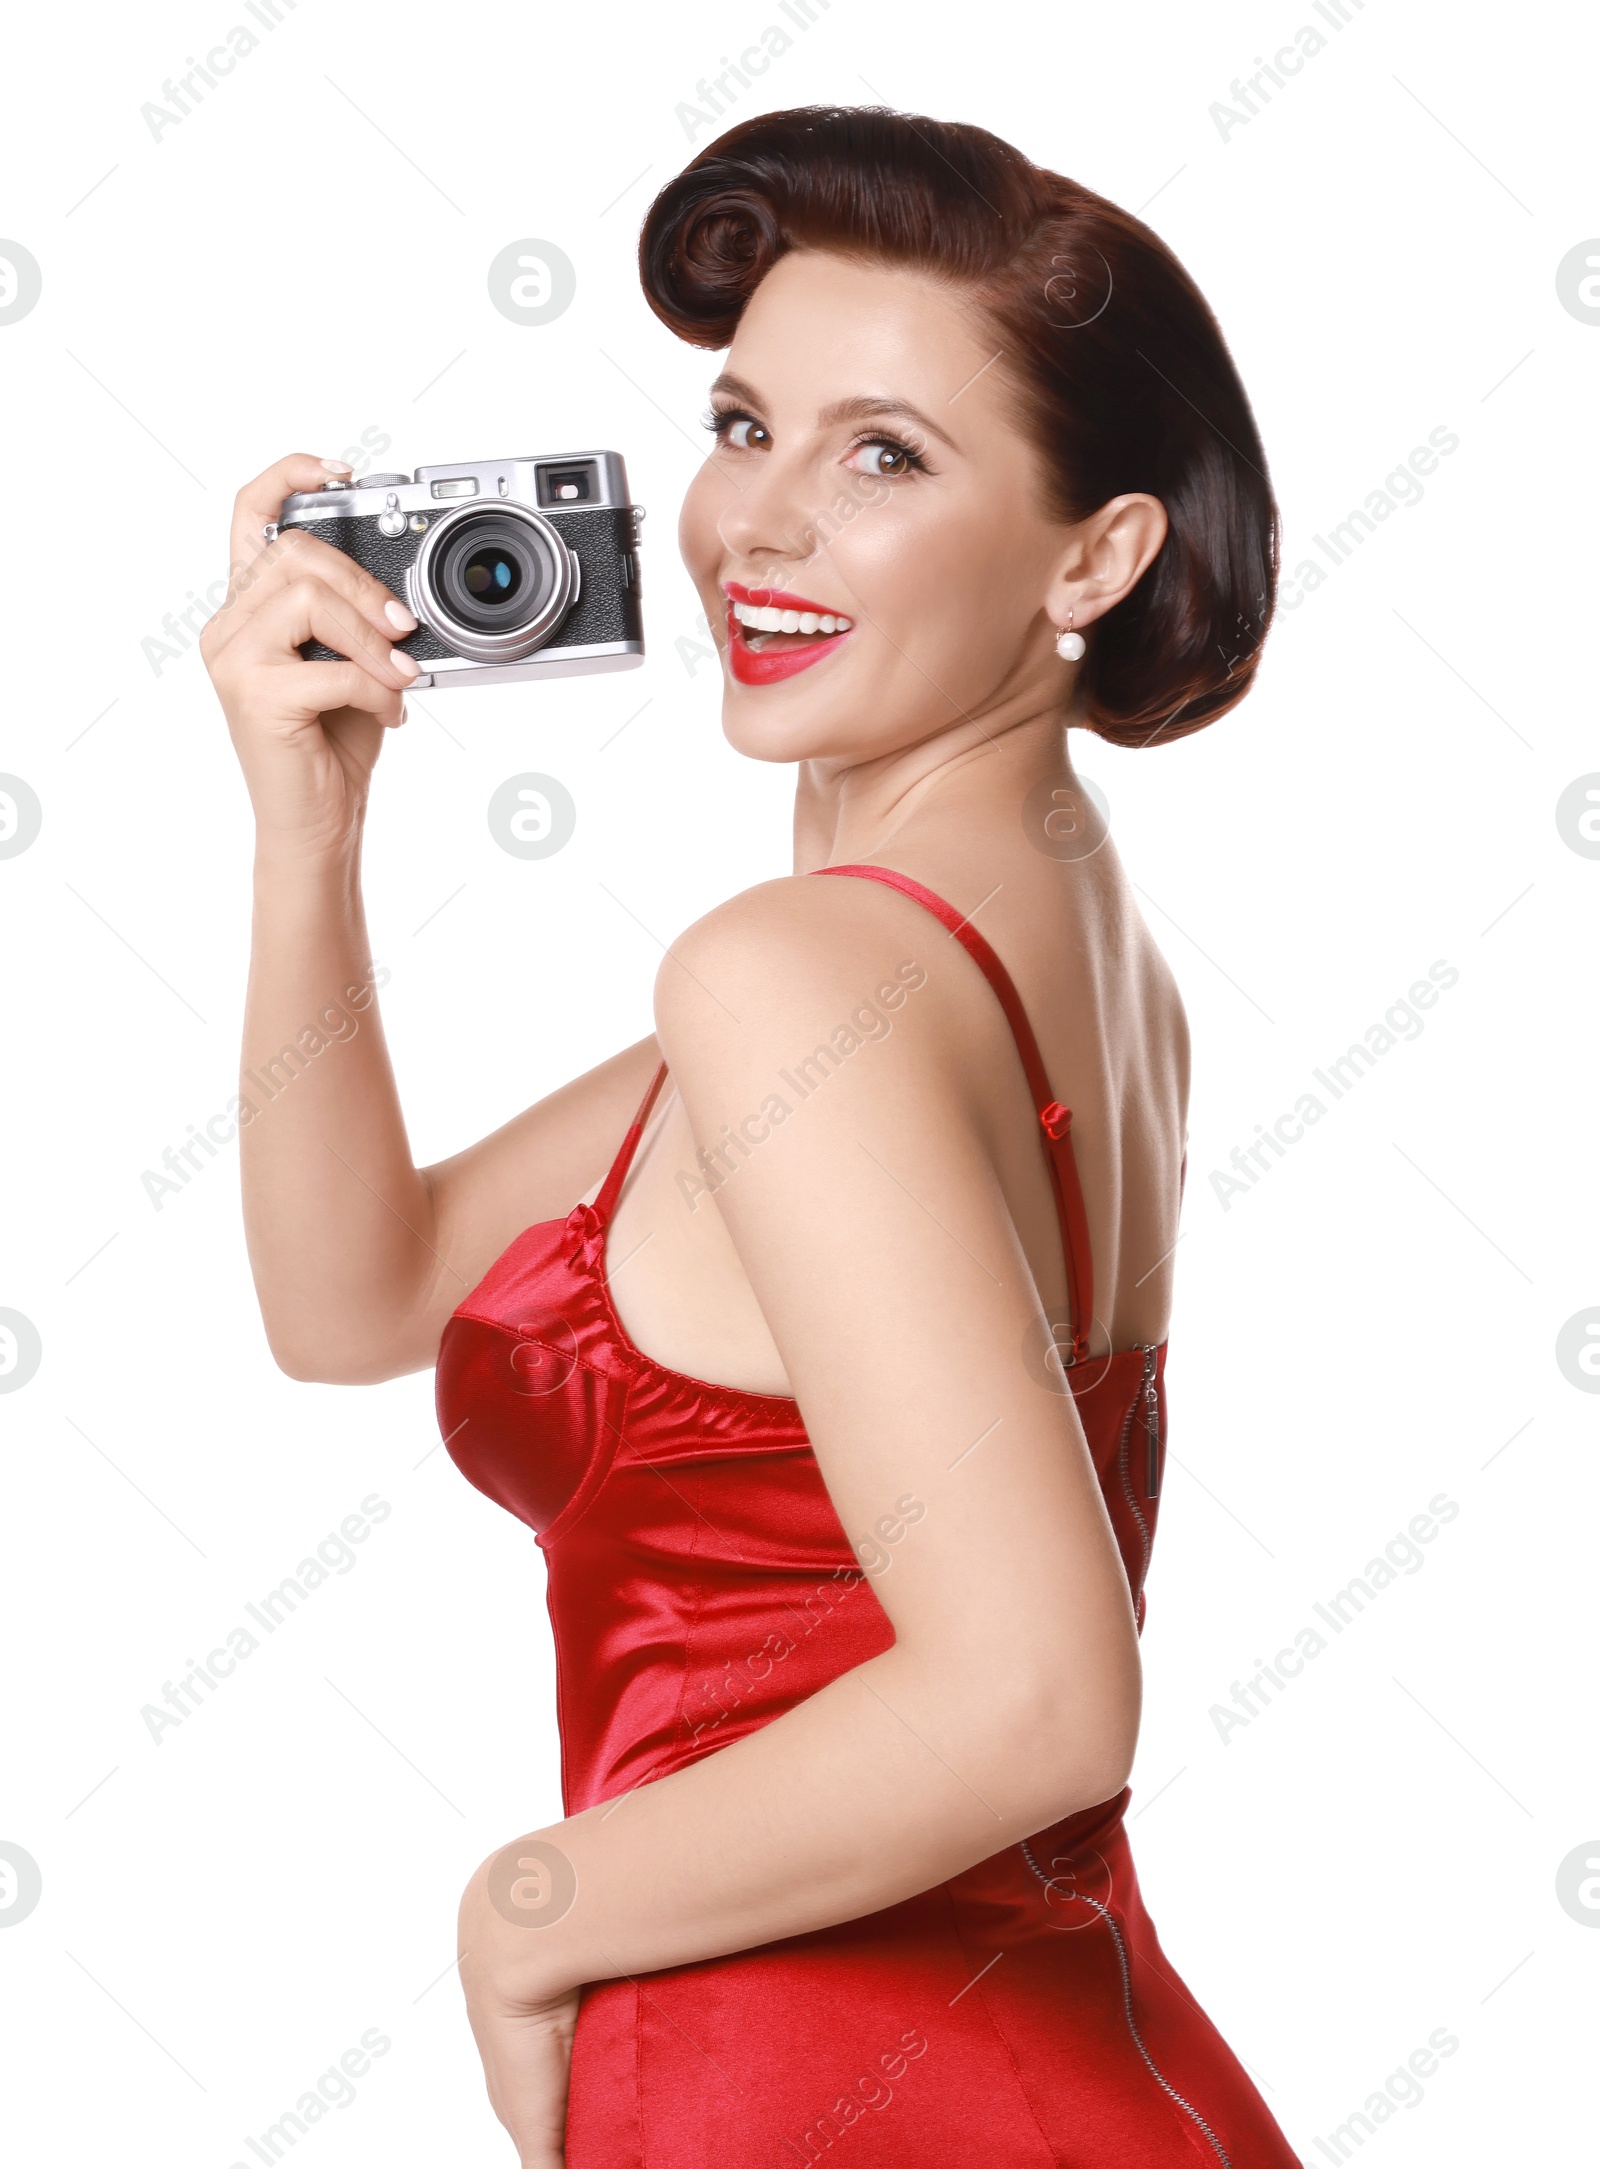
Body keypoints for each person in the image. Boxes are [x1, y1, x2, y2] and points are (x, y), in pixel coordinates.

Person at [202, 103, 1295, 2169]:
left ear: (1095, 550)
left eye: (880, 455)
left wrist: (526, 1914)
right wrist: (310, 828)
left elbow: (1039, 1695)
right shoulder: (1029, 946)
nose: (752, 526)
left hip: (804, 2072)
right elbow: (352, 1292)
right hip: (1063, 2052)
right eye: (738, 424)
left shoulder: (796, 977)